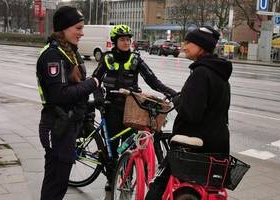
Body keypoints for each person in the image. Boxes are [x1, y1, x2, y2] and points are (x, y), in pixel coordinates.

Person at [145, 26, 232, 199]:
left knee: (159, 183)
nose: (184, 46)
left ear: (201, 47)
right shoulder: (220, 74)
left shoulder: (201, 73)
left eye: (189, 42)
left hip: (193, 147)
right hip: (218, 144)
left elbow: (192, 113)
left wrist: (178, 100)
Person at [92, 24, 177, 191]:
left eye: (128, 39)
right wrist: (98, 98)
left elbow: (153, 80)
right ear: (115, 41)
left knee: (131, 145)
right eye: (122, 39)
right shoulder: (107, 58)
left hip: (132, 107)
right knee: (113, 147)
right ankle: (111, 177)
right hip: (111, 106)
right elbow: (95, 80)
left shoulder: (136, 59)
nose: (126, 42)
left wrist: (171, 93)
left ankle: (127, 179)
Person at [36, 6, 99, 200]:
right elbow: (59, 95)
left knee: (59, 182)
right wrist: (92, 84)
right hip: (56, 126)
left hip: (67, 125)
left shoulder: (69, 51)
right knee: (55, 183)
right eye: (78, 28)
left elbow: (74, 90)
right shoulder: (52, 55)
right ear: (64, 28)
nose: (82, 33)